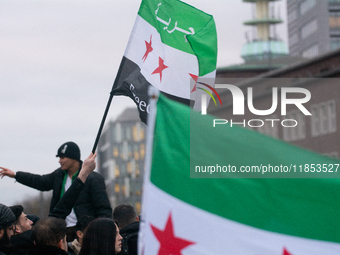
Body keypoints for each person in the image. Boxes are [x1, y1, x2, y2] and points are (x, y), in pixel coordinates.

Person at [0, 142, 112, 237]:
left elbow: (104, 209)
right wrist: (16, 175)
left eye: (62, 157)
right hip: (61, 232)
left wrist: (104, 232)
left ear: (74, 158)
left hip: (85, 233)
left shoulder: (94, 179)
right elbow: (39, 181)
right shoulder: (59, 175)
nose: (59, 161)